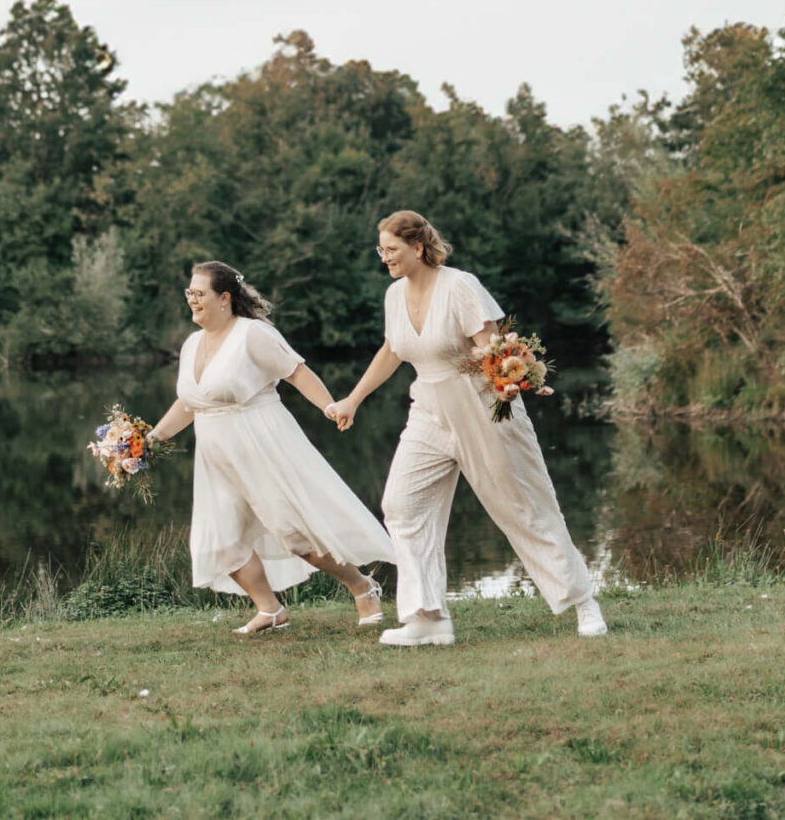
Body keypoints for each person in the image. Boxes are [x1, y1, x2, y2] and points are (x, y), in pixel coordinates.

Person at [326, 210, 604, 646]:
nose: (385, 258)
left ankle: (583, 601)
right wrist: (353, 399)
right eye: (381, 250)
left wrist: (509, 384)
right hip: (428, 412)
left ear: (418, 247)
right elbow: (391, 351)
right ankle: (427, 617)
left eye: (392, 250)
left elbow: (491, 348)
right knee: (402, 505)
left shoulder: (460, 286)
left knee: (523, 506)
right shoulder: (393, 296)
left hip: (481, 407)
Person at [147, 261, 392, 636]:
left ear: (224, 298)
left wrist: (329, 407)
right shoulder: (192, 343)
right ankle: (270, 610)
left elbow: (296, 372)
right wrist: (151, 440)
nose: (191, 300)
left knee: (295, 535)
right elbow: (190, 403)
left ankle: (362, 585)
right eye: (189, 293)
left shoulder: (252, 335)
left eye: (199, 293)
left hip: (260, 444)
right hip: (216, 458)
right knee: (220, 539)